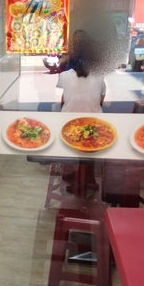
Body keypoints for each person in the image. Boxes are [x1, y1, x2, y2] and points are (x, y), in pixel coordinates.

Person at [56, 31, 107, 192]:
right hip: (94, 126)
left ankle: (76, 177)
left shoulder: (64, 76)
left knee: (74, 144)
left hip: (69, 126)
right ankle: (88, 178)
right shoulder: (100, 76)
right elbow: (99, 101)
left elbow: (63, 100)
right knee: (89, 146)